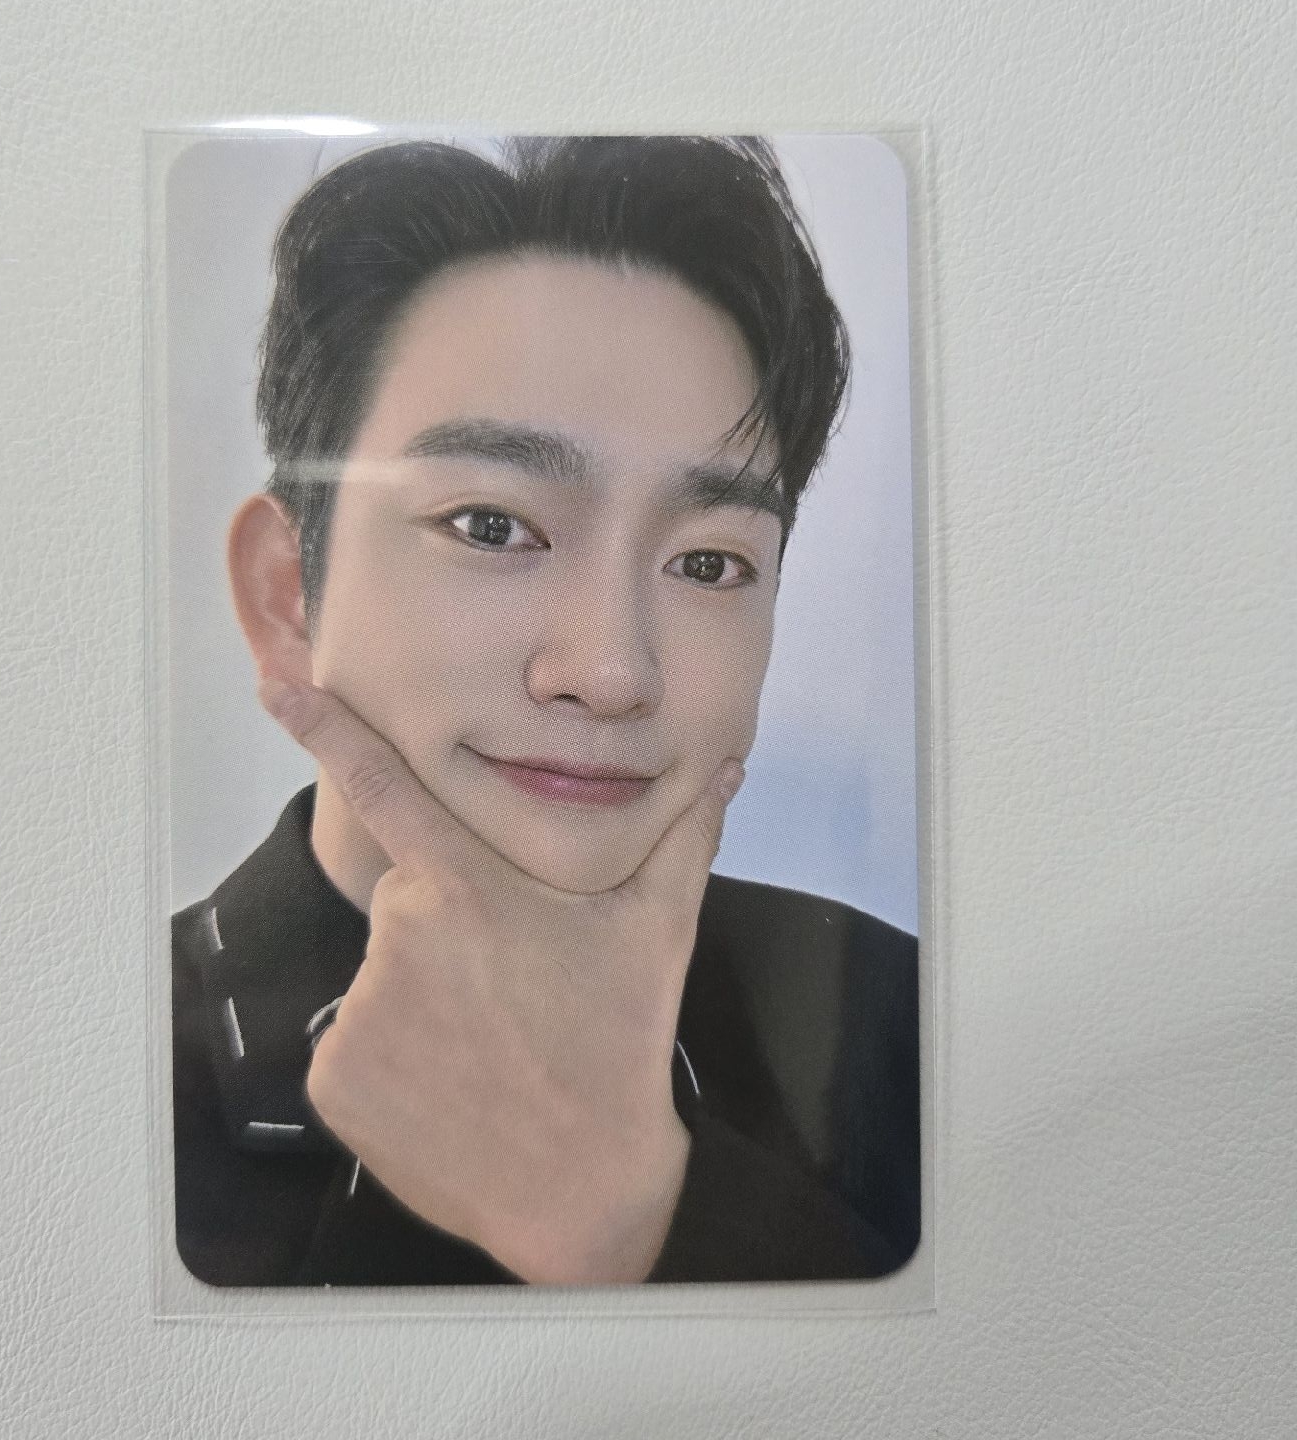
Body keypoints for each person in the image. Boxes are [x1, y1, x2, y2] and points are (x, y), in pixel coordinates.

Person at [172, 135, 919, 1287]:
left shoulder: (896, 1024)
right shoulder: (82, 1071)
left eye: (710, 563)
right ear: (287, 594)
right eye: (491, 526)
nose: (612, 672)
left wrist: (634, 1217)